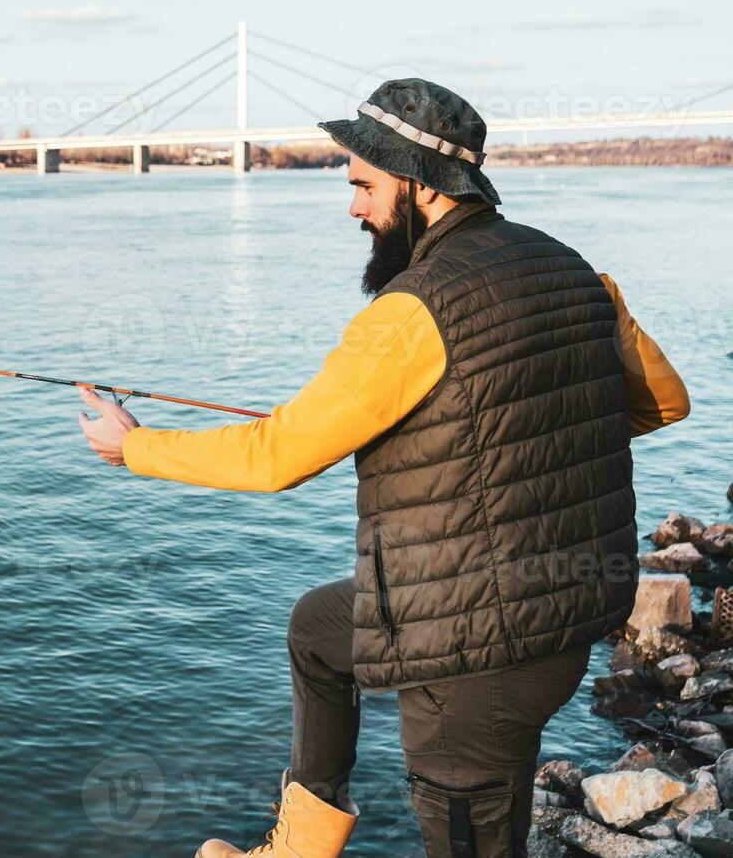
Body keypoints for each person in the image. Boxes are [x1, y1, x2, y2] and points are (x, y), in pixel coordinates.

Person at [77, 79, 691, 857]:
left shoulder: (411, 310)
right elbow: (662, 403)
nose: (354, 208)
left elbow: (275, 458)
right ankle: (301, 844)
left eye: (365, 185)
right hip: (569, 611)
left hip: (477, 663)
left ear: (424, 186)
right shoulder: (576, 270)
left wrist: (133, 446)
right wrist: (509, 433)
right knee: (319, 631)